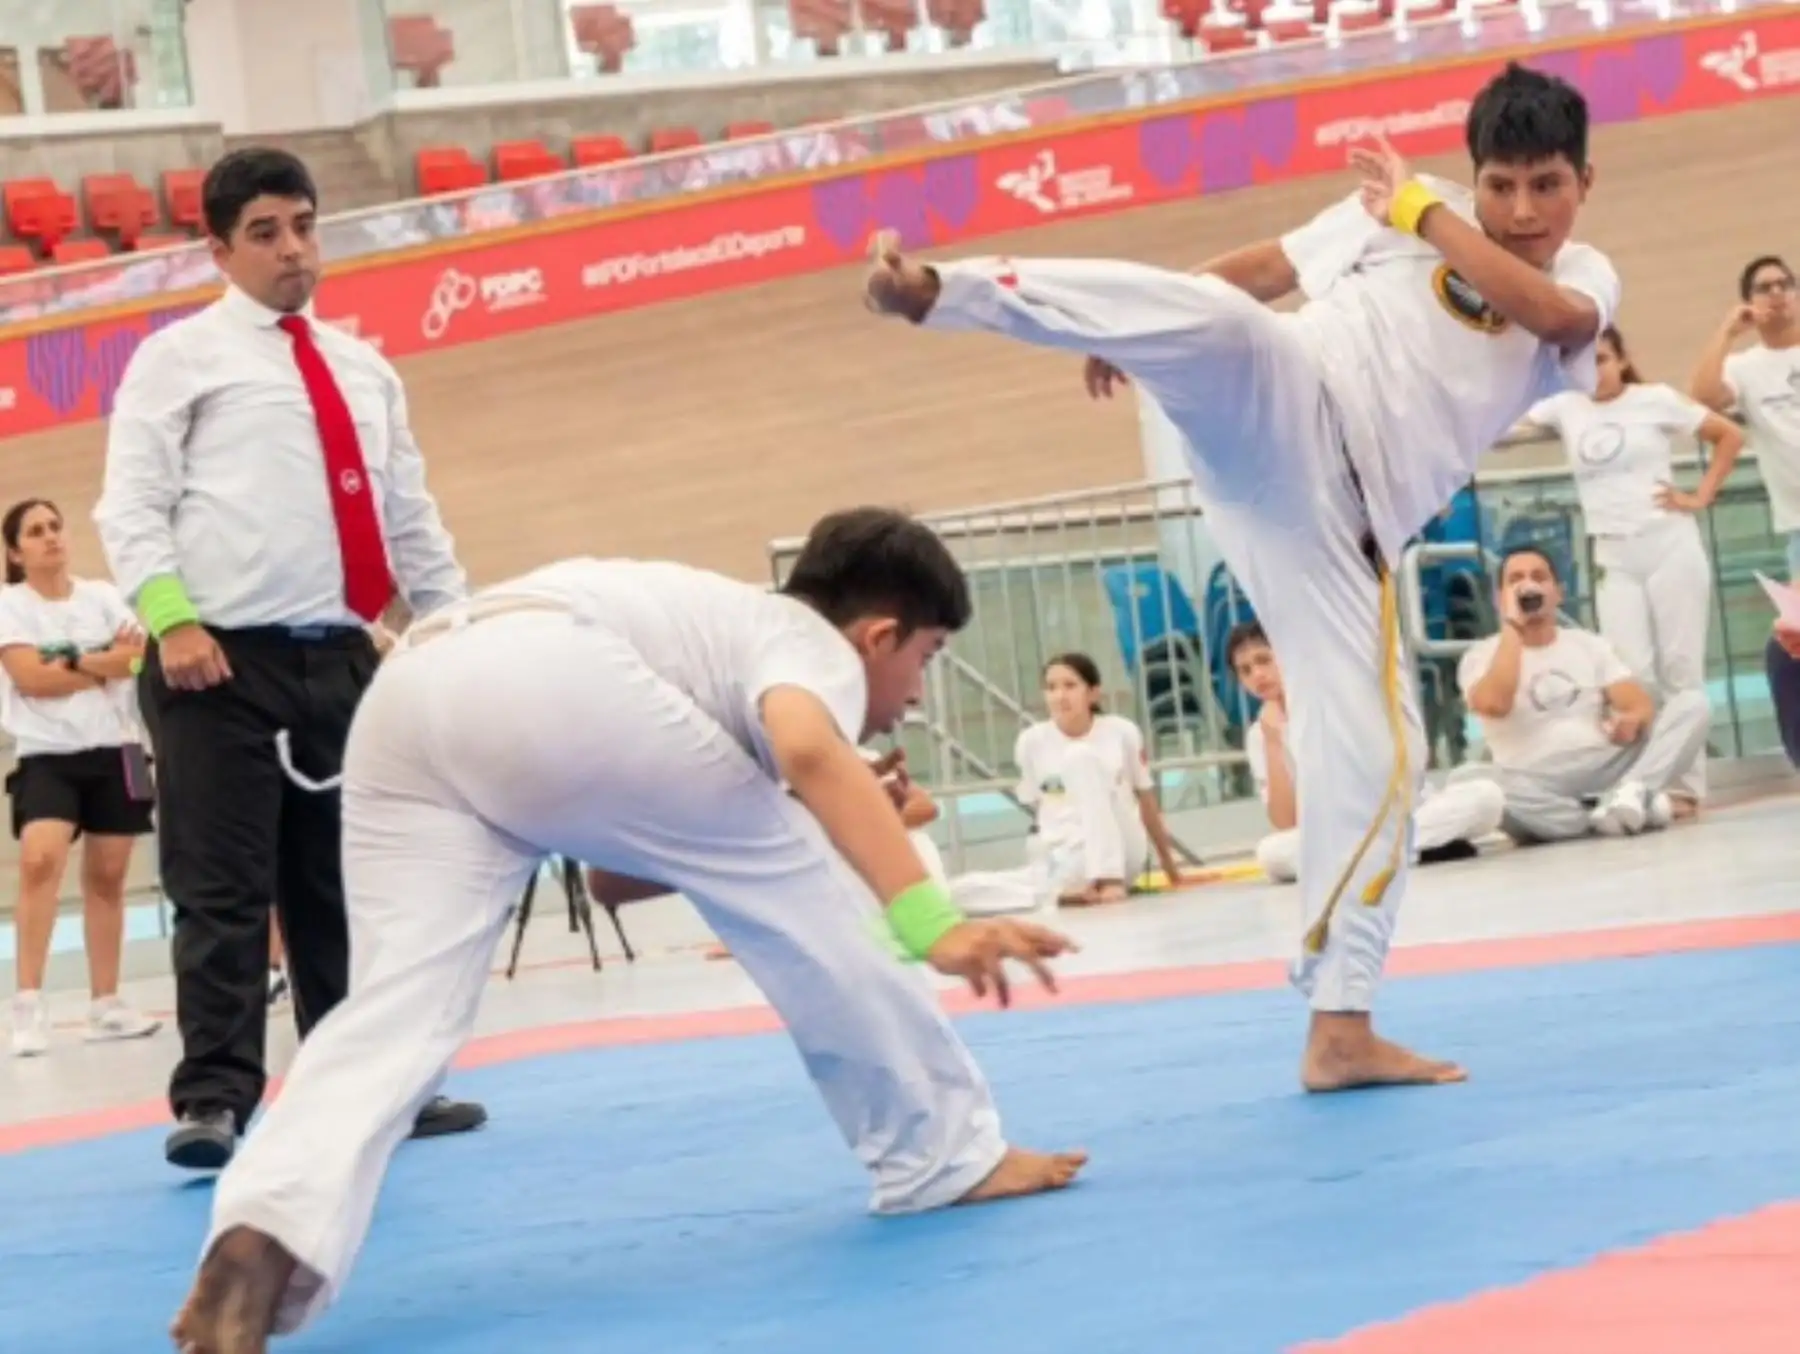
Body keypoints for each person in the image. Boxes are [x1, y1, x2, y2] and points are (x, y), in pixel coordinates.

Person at [170, 508, 1088, 1354]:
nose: (917, 694)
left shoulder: (708, 639)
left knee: (391, 1011)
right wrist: (932, 923)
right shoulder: (807, 644)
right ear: (878, 633)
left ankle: (267, 1228)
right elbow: (811, 749)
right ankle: (943, 1157)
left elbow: (614, 876)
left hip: (413, 690)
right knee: (808, 896)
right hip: (546, 672)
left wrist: (802, 813)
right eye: (925, 657)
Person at [866, 62, 1618, 1090]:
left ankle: (1340, 1027)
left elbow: (1559, 320)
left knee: (1375, 760)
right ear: (1473, 175)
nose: (1522, 210)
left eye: (1546, 186)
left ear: (1585, 182)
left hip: (1344, 531)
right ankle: (937, 290)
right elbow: (1268, 265)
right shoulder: (1401, 209)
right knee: (1216, 324)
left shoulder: (1571, 271)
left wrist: (1423, 211)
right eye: (1499, 186)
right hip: (1286, 404)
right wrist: (1145, 328)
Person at [93, 147, 483, 1172]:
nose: (292, 249)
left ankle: (372, 1088)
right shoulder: (176, 359)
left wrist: (460, 627)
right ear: (219, 249)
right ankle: (216, 1099)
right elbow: (129, 506)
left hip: (341, 660)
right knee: (222, 890)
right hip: (213, 663)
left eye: (303, 225)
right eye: (265, 232)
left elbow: (408, 517)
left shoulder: (364, 366)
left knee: (348, 887)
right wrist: (173, 622)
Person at [1520, 325, 1741, 816]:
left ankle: (1685, 787)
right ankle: (1645, 781)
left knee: (1682, 670)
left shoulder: (1654, 399)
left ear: (1621, 360)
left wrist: (1701, 495)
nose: (1593, 371)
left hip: (1668, 544)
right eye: (1581, 363)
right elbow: (1506, 423)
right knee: (1633, 673)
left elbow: (1729, 435)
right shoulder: (1564, 406)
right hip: (1613, 555)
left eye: (1601, 359)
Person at [0, 498, 160, 1056]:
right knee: (41, 860)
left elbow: (136, 659)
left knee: (109, 875)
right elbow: (29, 679)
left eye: (55, 525)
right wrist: (99, 663)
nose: (50, 537)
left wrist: (71, 663)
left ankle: (106, 1003)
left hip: (115, 748)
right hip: (49, 753)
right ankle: (27, 1003)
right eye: (35, 531)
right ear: (16, 551)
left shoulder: (103, 596)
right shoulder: (10, 605)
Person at [1453, 547, 1711, 840]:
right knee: (1467, 778)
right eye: (1516, 580)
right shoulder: (1480, 655)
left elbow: (1638, 705)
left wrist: (1631, 719)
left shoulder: (1588, 645)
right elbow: (1494, 704)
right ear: (1501, 599)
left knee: (1692, 704)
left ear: (1558, 593)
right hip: (1535, 783)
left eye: (1539, 577)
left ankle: (1631, 792)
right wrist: (1514, 626)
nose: (1528, 585)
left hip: (1605, 765)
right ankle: (1599, 816)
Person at [1225, 621, 1504, 882]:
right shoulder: (1259, 735)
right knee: (1271, 853)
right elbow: (1286, 823)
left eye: (1264, 660)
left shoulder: (1338, 697)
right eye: (1245, 670)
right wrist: (1273, 741)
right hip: (1342, 834)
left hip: (1394, 814)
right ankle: (1408, 850)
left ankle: (1378, 857)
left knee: (1486, 797)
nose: (1257, 675)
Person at [1013, 652, 1184, 905]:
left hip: (1122, 849)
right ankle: (1064, 890)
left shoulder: (1121, 732)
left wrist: (1171, 871)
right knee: (964, 891)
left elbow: (1146, 801)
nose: (1060, 696)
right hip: (1070, 851)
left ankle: (1107, 877)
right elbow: (1041, 809)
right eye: (1051, 688)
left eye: (1070, 686)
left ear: (1092, 693)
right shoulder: (1031, 742)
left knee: (1080, 756)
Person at [1690, 255, 1800, 577]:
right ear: (1749, 302)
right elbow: (1704, 397)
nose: (1777, 292)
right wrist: (1727, 332)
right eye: (1765, 288)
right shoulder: (1744, 367)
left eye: (1785, 285)